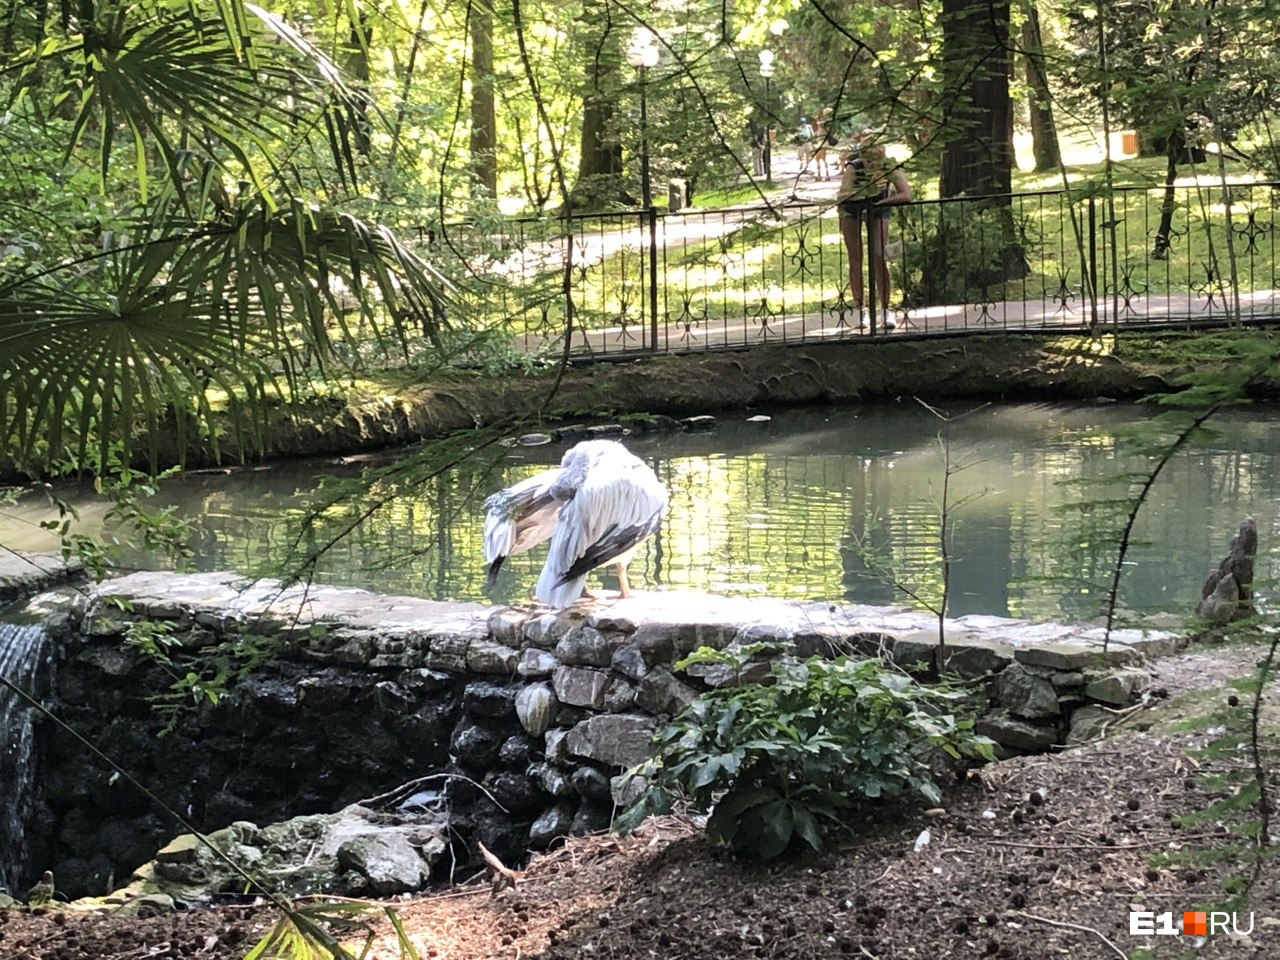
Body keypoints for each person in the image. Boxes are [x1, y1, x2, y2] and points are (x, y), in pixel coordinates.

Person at [836, 132, 912, 330]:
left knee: (879, 255)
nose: (872, 165)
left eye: (876, 159)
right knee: (855, 258)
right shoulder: (854, 167)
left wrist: (882, 202)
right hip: (851, 210)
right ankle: (861, 310)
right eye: (869, 159)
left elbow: (906, 194)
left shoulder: (889, 166)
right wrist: (862, 195)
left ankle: (886, 310)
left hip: (878, 207)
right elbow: (843, 193)